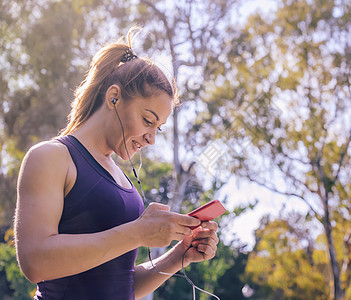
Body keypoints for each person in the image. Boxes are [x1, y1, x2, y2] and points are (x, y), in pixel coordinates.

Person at [14, 27, 219, 299]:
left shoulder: (124, 182)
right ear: (114, 97)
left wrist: (180, 255)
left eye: (159, 127)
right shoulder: (51, 157)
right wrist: (137, 232)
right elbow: (35, 263)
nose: (151, 138)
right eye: (148, 120)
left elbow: (121, 285)